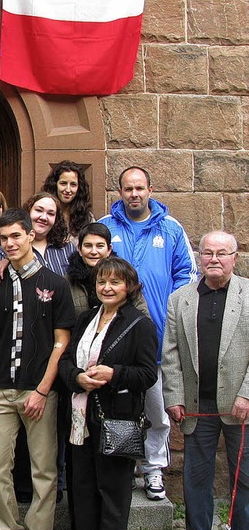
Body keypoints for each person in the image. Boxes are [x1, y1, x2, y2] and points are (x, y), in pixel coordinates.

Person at [0, 208, 75, 530]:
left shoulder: (56, 283)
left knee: (43, 467)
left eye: (16, 235)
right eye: (4, 238)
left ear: (32, 235)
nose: (10, 243)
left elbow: (61, 343)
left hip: (38, 392)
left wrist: (43, 390)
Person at [99, 166, 198, 501]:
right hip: (114, 334)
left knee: (157, 412)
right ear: (120, 192)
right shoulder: (107, 227)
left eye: (139, 188)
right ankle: (125, 467)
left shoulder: (170, 229)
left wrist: (172, 312)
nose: (134, 194)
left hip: (157, 335)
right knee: (121, 407)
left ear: (150, 189)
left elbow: (187, 273)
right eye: (128, 189)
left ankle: (153, 470)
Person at [59, 256, 158, 530]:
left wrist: (113, 373)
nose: (107, 287)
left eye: (115, 282)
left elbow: (147, 374)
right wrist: (76, 378)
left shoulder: (139, 324)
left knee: (113, 493)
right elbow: (66, 362)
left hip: (117, 419)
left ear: (129, 287)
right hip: (81, 418)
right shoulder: (86, 318)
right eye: (102, 281)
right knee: (83, 490)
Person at [161, 231, 249, 530]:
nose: (214, 259)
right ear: (199, 257)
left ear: (234, 258)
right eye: (207, 252)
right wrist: (174, 396)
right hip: (198, 404)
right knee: (195, 476)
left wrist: (246, 395)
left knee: (244, 475)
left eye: (222, 253)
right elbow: (169, 354)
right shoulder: (180, 299)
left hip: (240, 406)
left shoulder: (247, 293)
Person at [42, 161, 93, 240]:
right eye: (63, 183)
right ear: (55, 184)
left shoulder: (87, 217)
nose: (68, 190)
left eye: (73, 184)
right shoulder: (43, 215)